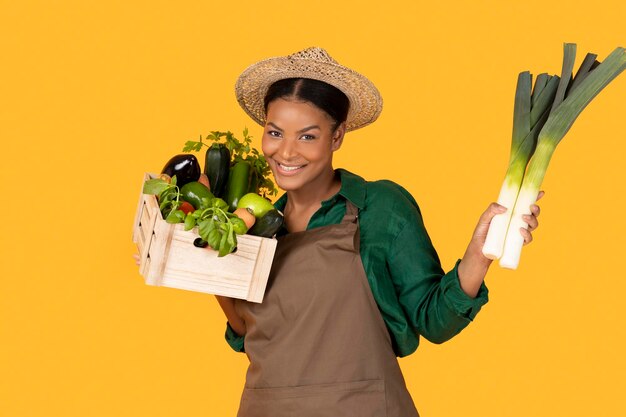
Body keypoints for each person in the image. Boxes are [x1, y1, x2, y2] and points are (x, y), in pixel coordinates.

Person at [138, 47, 542, 417]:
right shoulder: (251, 227)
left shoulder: (379, 207)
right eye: (275, 132)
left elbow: (433, 320)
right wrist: (205, 265)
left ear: (337, 136)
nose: (286, 152)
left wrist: (479, 254)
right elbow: (246, 334)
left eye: (308, 136)